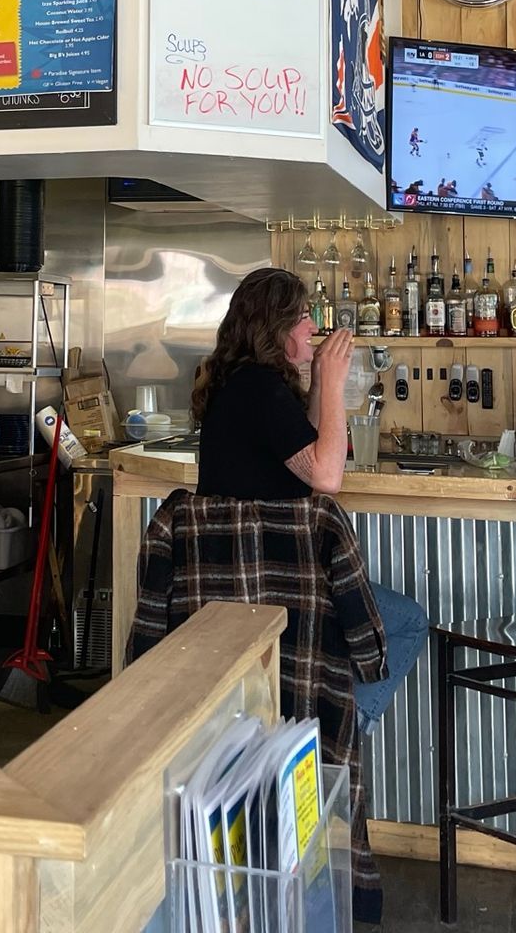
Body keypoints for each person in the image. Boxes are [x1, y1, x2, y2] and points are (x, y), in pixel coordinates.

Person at [190, 267, 429, 723]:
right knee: (408, 621)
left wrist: (319, 381)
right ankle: (336, 736)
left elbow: (310, 449)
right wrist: (338, 385)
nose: (313, 327)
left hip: (249, 571)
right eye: (302, 316)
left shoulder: (248, 384)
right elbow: (327, 475)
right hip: (272, 579)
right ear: (276, 328)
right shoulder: (260, 389)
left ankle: (320, 730)